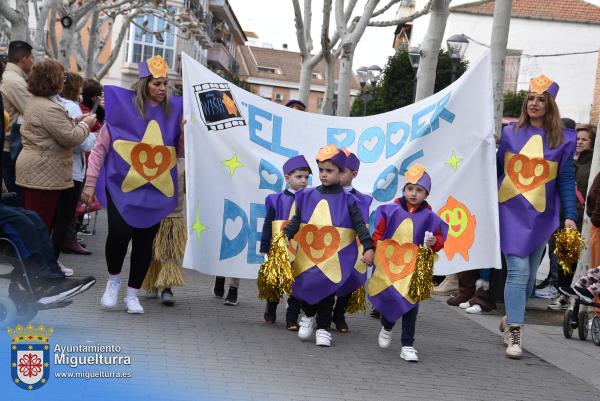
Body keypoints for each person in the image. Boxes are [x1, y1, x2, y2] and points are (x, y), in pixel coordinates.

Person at [82, 55, 183, 314]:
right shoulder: (121, 110)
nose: (162, 89)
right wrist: (90, 184)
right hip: (121, 188)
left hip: (155, 190)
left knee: (144, 242)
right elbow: (99, 149)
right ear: (143, 84)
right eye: (157, 84)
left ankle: (132, 294)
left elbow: (179, 152)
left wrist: (185, 132)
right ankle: (113, 281)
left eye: (165, 84)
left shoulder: (174, 114)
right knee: (118, 234)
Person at [497, 74, 577, 359]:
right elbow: (494, 171)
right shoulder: (509, 134)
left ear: (549, 104)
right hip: (509, 212)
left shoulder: (563, 141)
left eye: (540, 99)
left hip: (542, 217)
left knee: (528, 279)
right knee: (518, 272)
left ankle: (510, 318)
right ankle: (516, 332)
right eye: (530, 98)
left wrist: (570, 216)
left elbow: (566, 181)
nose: (534, 103)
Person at [284, 145, 374, 347]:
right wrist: (285, 236)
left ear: (342, 173)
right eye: (321, 170)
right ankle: (307, 316)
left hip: (334, 257)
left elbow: (360, 224)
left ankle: (323, 328)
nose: (324, 174)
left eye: (330, 171)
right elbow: (296, 221)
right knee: (306, 286)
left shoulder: (348, 200)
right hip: (308, 254)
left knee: (327, 292)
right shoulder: (306, 196)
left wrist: (368, 247)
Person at [16, 60, 96, 277]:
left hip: (38, 171)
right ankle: (37, 271)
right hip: (43, 173)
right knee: (41, 225)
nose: (63, 80)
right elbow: (70, 137)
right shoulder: (49, 107)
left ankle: (37, 268)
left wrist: (75, 119)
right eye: (61, 77)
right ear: (51, 79)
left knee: (38, 223)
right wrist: (85, 125)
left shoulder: (39, 102)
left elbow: (57, 127)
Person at [369, 164, 447, 362]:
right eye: (410, 189)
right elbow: (378, 234)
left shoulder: (430, 218)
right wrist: (371, 251)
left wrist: (433, 243)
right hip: (389, 266)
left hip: (413, 269)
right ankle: (387, 325)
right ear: (404, 190)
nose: (414, 193)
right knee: (390, 299)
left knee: (412, 305)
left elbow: (439, 242)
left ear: (426, 194)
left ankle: (407, 344)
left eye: (419, 190)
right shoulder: (389, 211)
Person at [261, 155, 311, 330]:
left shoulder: (311, 200)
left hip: (301, 249)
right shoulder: (276, 200)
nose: (303, 181)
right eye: (299, 177)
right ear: (288, 178)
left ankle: (292, 317)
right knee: (275, 280)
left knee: (298, 281)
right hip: (280, 247)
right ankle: (271, 306)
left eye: (306, 177)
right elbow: (268, 224)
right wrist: (265, 247)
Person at [331, 149, 372, 333]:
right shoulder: (325, 194)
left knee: (350, 277)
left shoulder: (361, 200)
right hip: (328, 244)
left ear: (353, 174)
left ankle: (339, 314)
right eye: (336, 170)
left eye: (343, 171)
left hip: (349, 246)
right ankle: (320, 313)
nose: (338, 174)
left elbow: (361, 224)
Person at [141, 158, 187, 306]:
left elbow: (191, 189)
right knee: (152, 250)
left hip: (173, 215)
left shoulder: (184, 162)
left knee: (170, 252)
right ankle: (152, 282)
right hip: (152, 213)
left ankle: (167, 288)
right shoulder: (154, 155)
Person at [59, 72, 96, 256]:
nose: (81, 91)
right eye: (79, 87)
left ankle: (66, 241)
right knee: (66, 213)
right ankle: (66, 242)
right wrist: (93, 134)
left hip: (67, 167)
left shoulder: (61, 105)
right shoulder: (72, 108)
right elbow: (82, 142)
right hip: (72, 169)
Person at [0, 41, 34, 205]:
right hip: (9, 148)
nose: (33, 62)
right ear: (24, 58)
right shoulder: (15, 81)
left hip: (8, 146)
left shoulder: (12, 78)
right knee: (13, 200)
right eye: (31, 58)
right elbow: (34, 112)